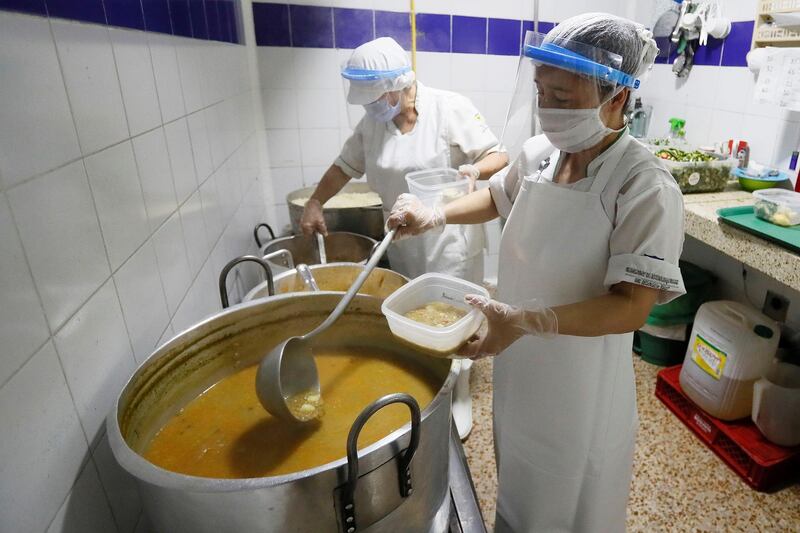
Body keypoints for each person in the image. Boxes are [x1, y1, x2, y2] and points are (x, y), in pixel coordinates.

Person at [387, 13, 686, 532]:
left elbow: (631, 307)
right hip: (519, 357)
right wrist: (433, 215)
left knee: (568, 493)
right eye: (542, 92)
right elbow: (496, 197)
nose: (547, 109)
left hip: (579, 384)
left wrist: (526, 321)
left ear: (616, 96)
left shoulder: (643, 186)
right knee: (521, 471)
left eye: (563, 98)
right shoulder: (543, 154)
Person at [299, 37, 508, 439]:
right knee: (417, 314)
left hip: (450, 236)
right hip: (403, 236)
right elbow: (344, 167)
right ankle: (427, 384)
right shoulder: (372, 125)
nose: (372, 105)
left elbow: (499, 155)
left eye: (377, 96)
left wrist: (473, 172)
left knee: (455, 314)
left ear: (400, 83)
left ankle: (458, 390)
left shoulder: (449, 108)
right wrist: (314, 202)